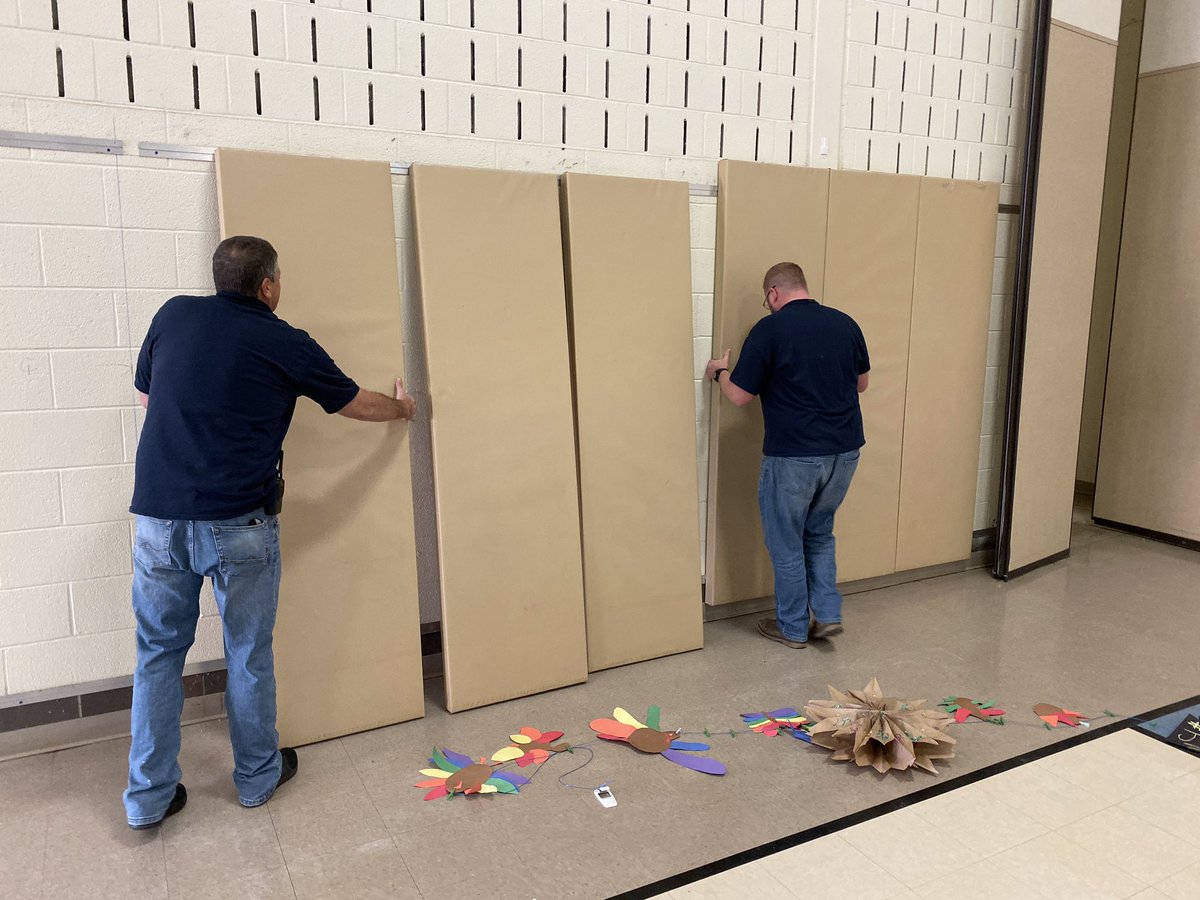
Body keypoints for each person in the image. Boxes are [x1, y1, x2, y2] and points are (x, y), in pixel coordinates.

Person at [124, 235, 416, 830]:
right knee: (248, 653)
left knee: (157, 656)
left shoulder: (173, 314)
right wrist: (404, 409)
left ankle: (147, 799)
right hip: (238, 525)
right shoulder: (286, 341)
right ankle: (256, 779)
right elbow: (355, 404)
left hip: (158, 520)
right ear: (267, 286)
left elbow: (147, 392)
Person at [705, 262, 869, 650]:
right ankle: (827, 615)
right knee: (820, 533)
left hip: (794, 456)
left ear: (774, 293)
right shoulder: (845, 323)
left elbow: (740, 396)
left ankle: (793, 628)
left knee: (786, 541)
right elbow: (862, 383)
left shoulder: (770, 329)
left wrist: (719, 372)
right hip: (844, 453)